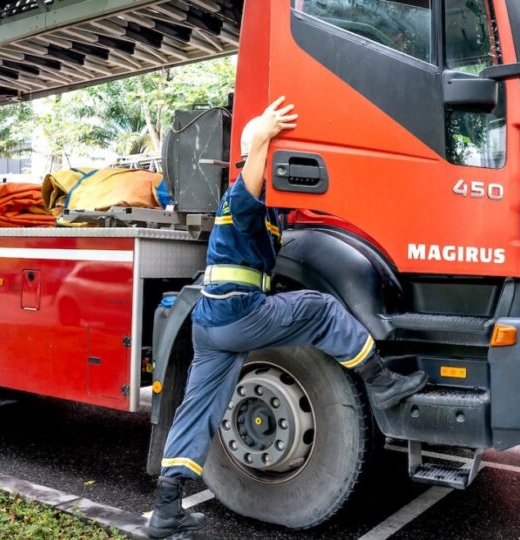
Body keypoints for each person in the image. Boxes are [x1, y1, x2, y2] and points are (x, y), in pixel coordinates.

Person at [147, 97, 428, 538]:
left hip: (211, 322)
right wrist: (263, 133)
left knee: (197, 409)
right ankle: (382, 382)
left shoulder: (265, 206)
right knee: (321, 309)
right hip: (239, 311)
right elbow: (252, 181)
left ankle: (167, 509)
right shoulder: (243, 196)